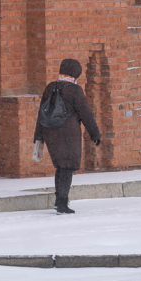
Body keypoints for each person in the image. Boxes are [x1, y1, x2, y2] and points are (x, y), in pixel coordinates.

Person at [34, 58, 101, 214]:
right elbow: (86, 113)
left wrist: (39, 135)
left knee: (61, 166)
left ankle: (59, 200)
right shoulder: (75, 90)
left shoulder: (50, 87)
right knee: (67, 167)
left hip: (50, 132)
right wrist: (95, 133)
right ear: (75, 73)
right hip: (68, 133)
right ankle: (62, 203)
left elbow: (41, 113)